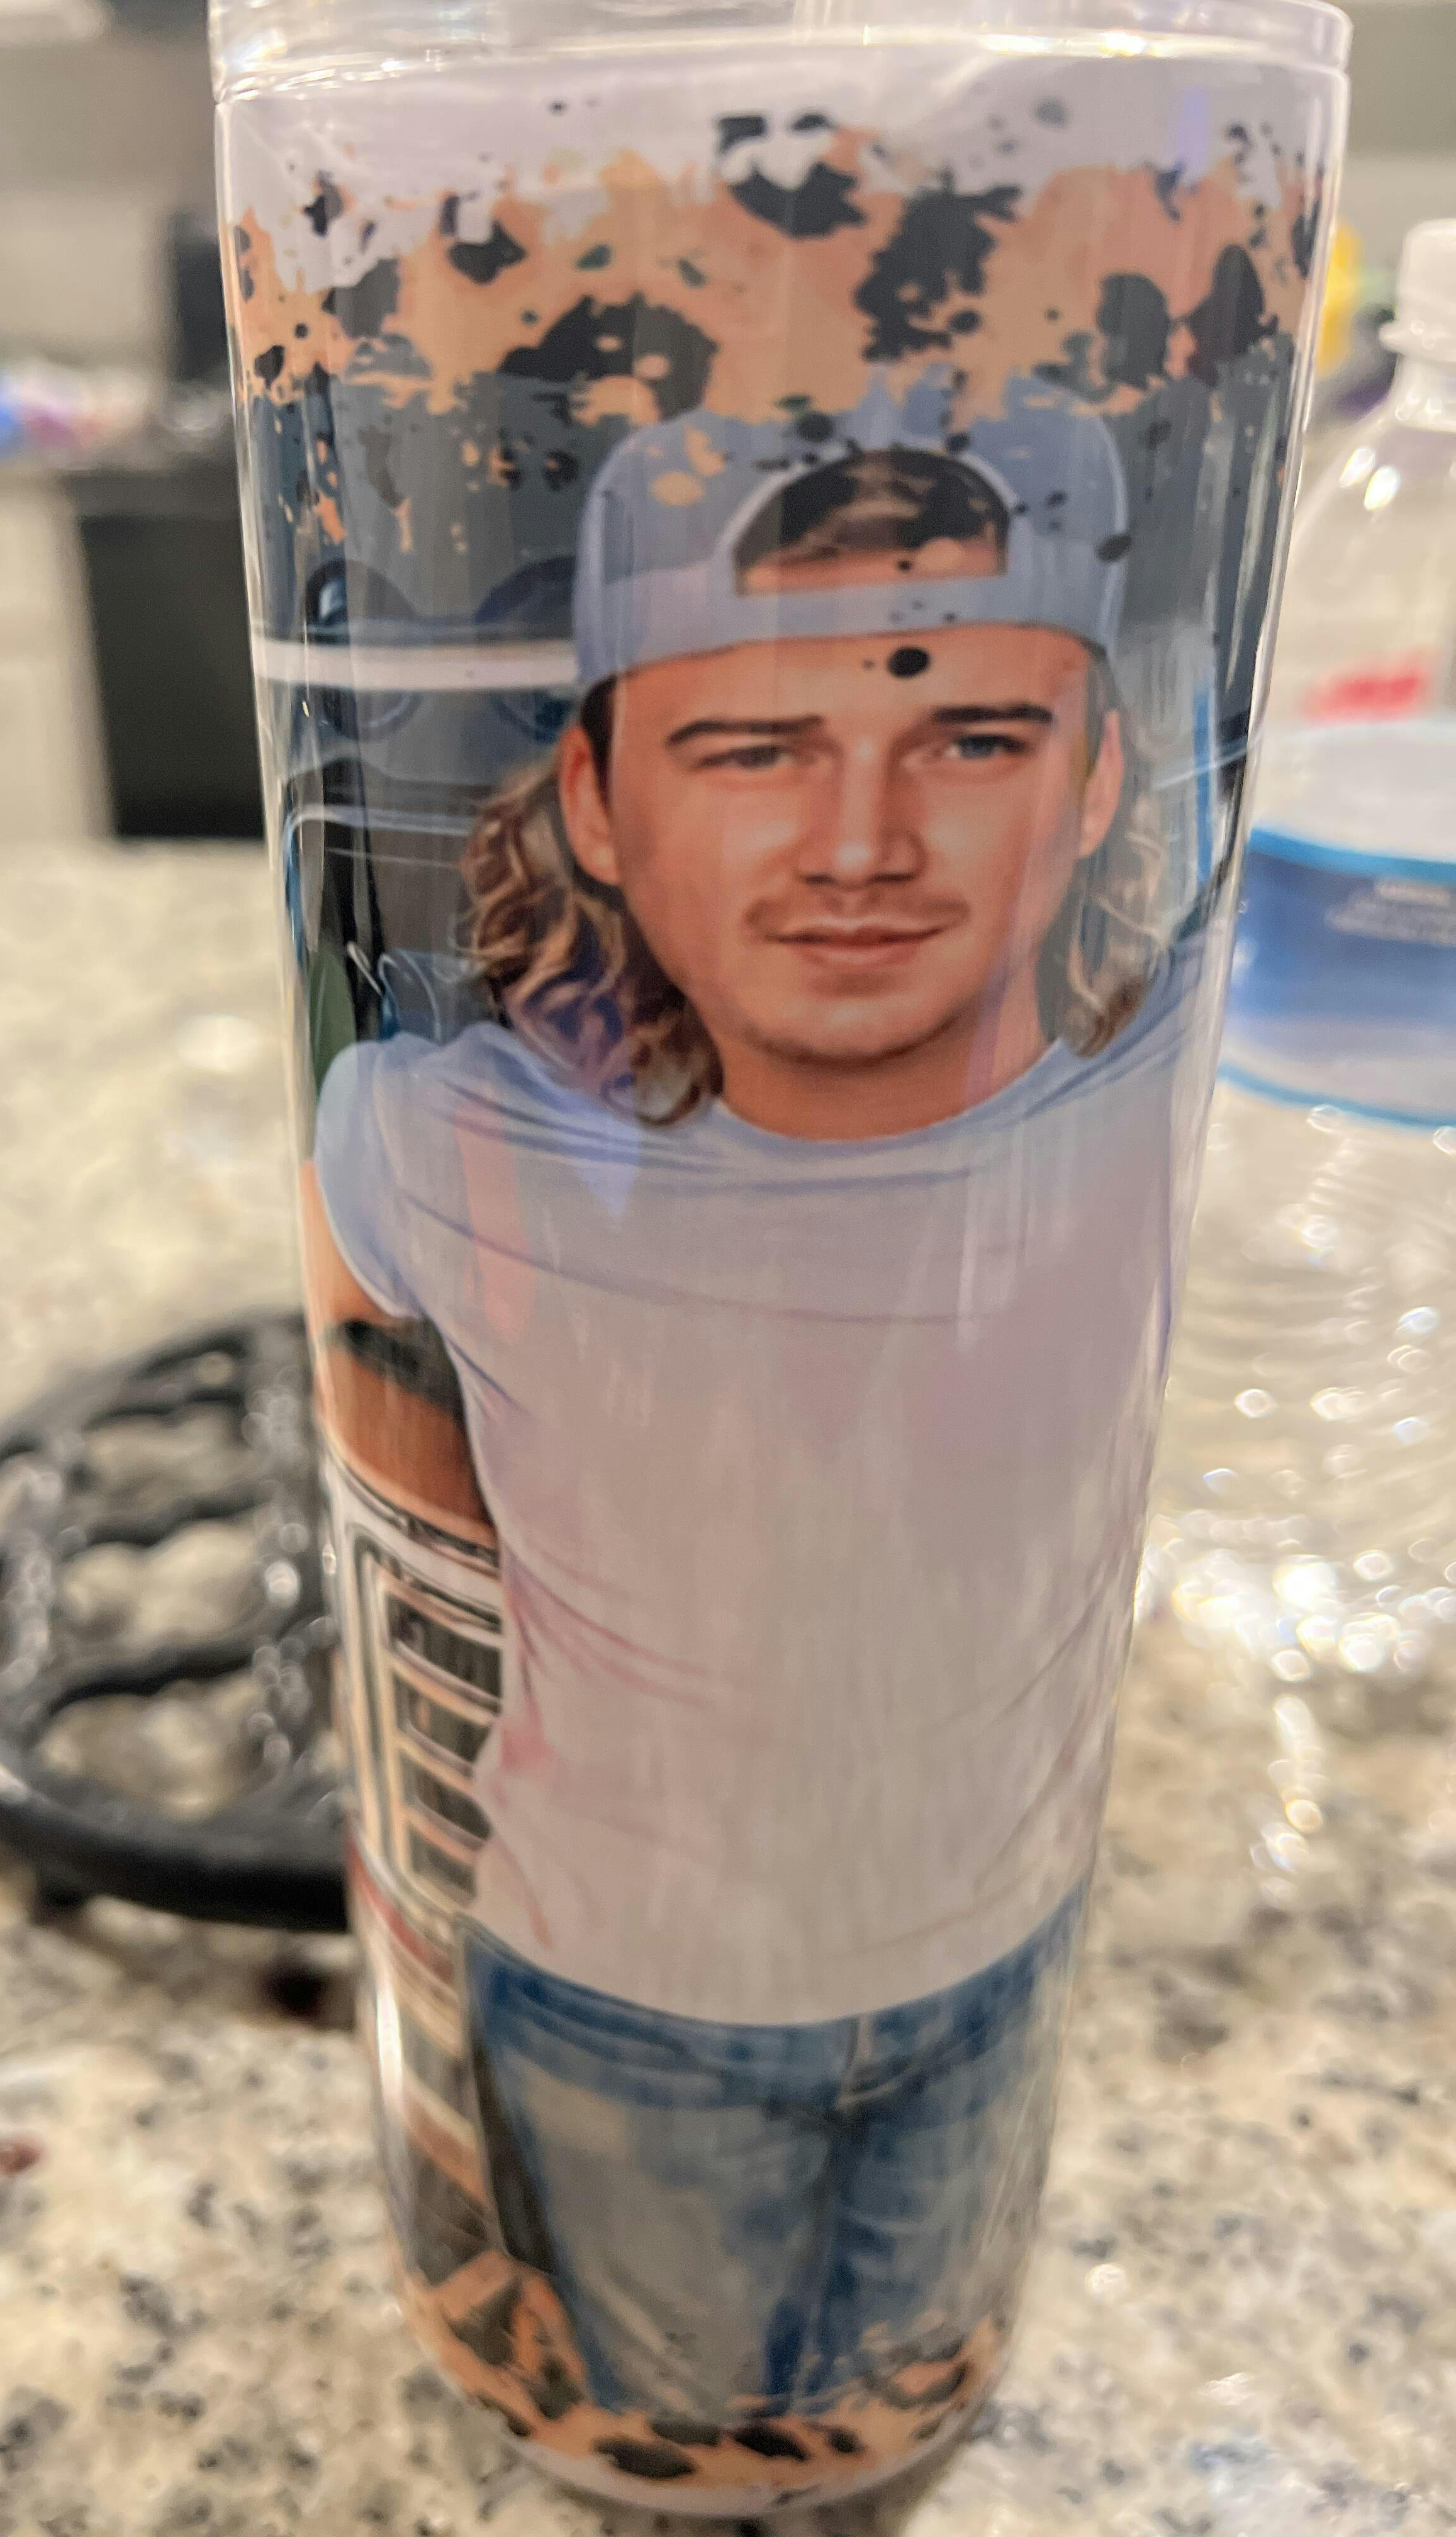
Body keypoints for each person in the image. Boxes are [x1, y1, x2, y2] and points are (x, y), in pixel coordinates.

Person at [302, 375, 1193, 2421]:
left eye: (971, 738)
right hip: (623, 2004)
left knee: (904, 2389)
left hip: (1009, 1962)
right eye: (755, 747)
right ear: (602, 800)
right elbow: (363, 1382)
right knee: (688, 2420)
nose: (861, 844)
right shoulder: (441, 1141)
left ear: (1093, 780)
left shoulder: (1160, 1097)